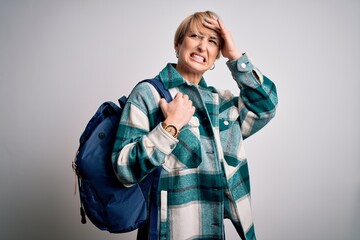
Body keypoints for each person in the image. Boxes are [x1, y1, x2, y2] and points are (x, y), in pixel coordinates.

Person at [112, 10, 278, 240]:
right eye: (195, 36)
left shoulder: (223, 103)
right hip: (168, 233)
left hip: (214, 231)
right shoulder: (148, 94)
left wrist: (235, 57)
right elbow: (123, 170)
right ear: (177, 44)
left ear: (216, 56)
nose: (202, 46)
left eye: (212, 41)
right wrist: (170, 127)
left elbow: (266, 107)